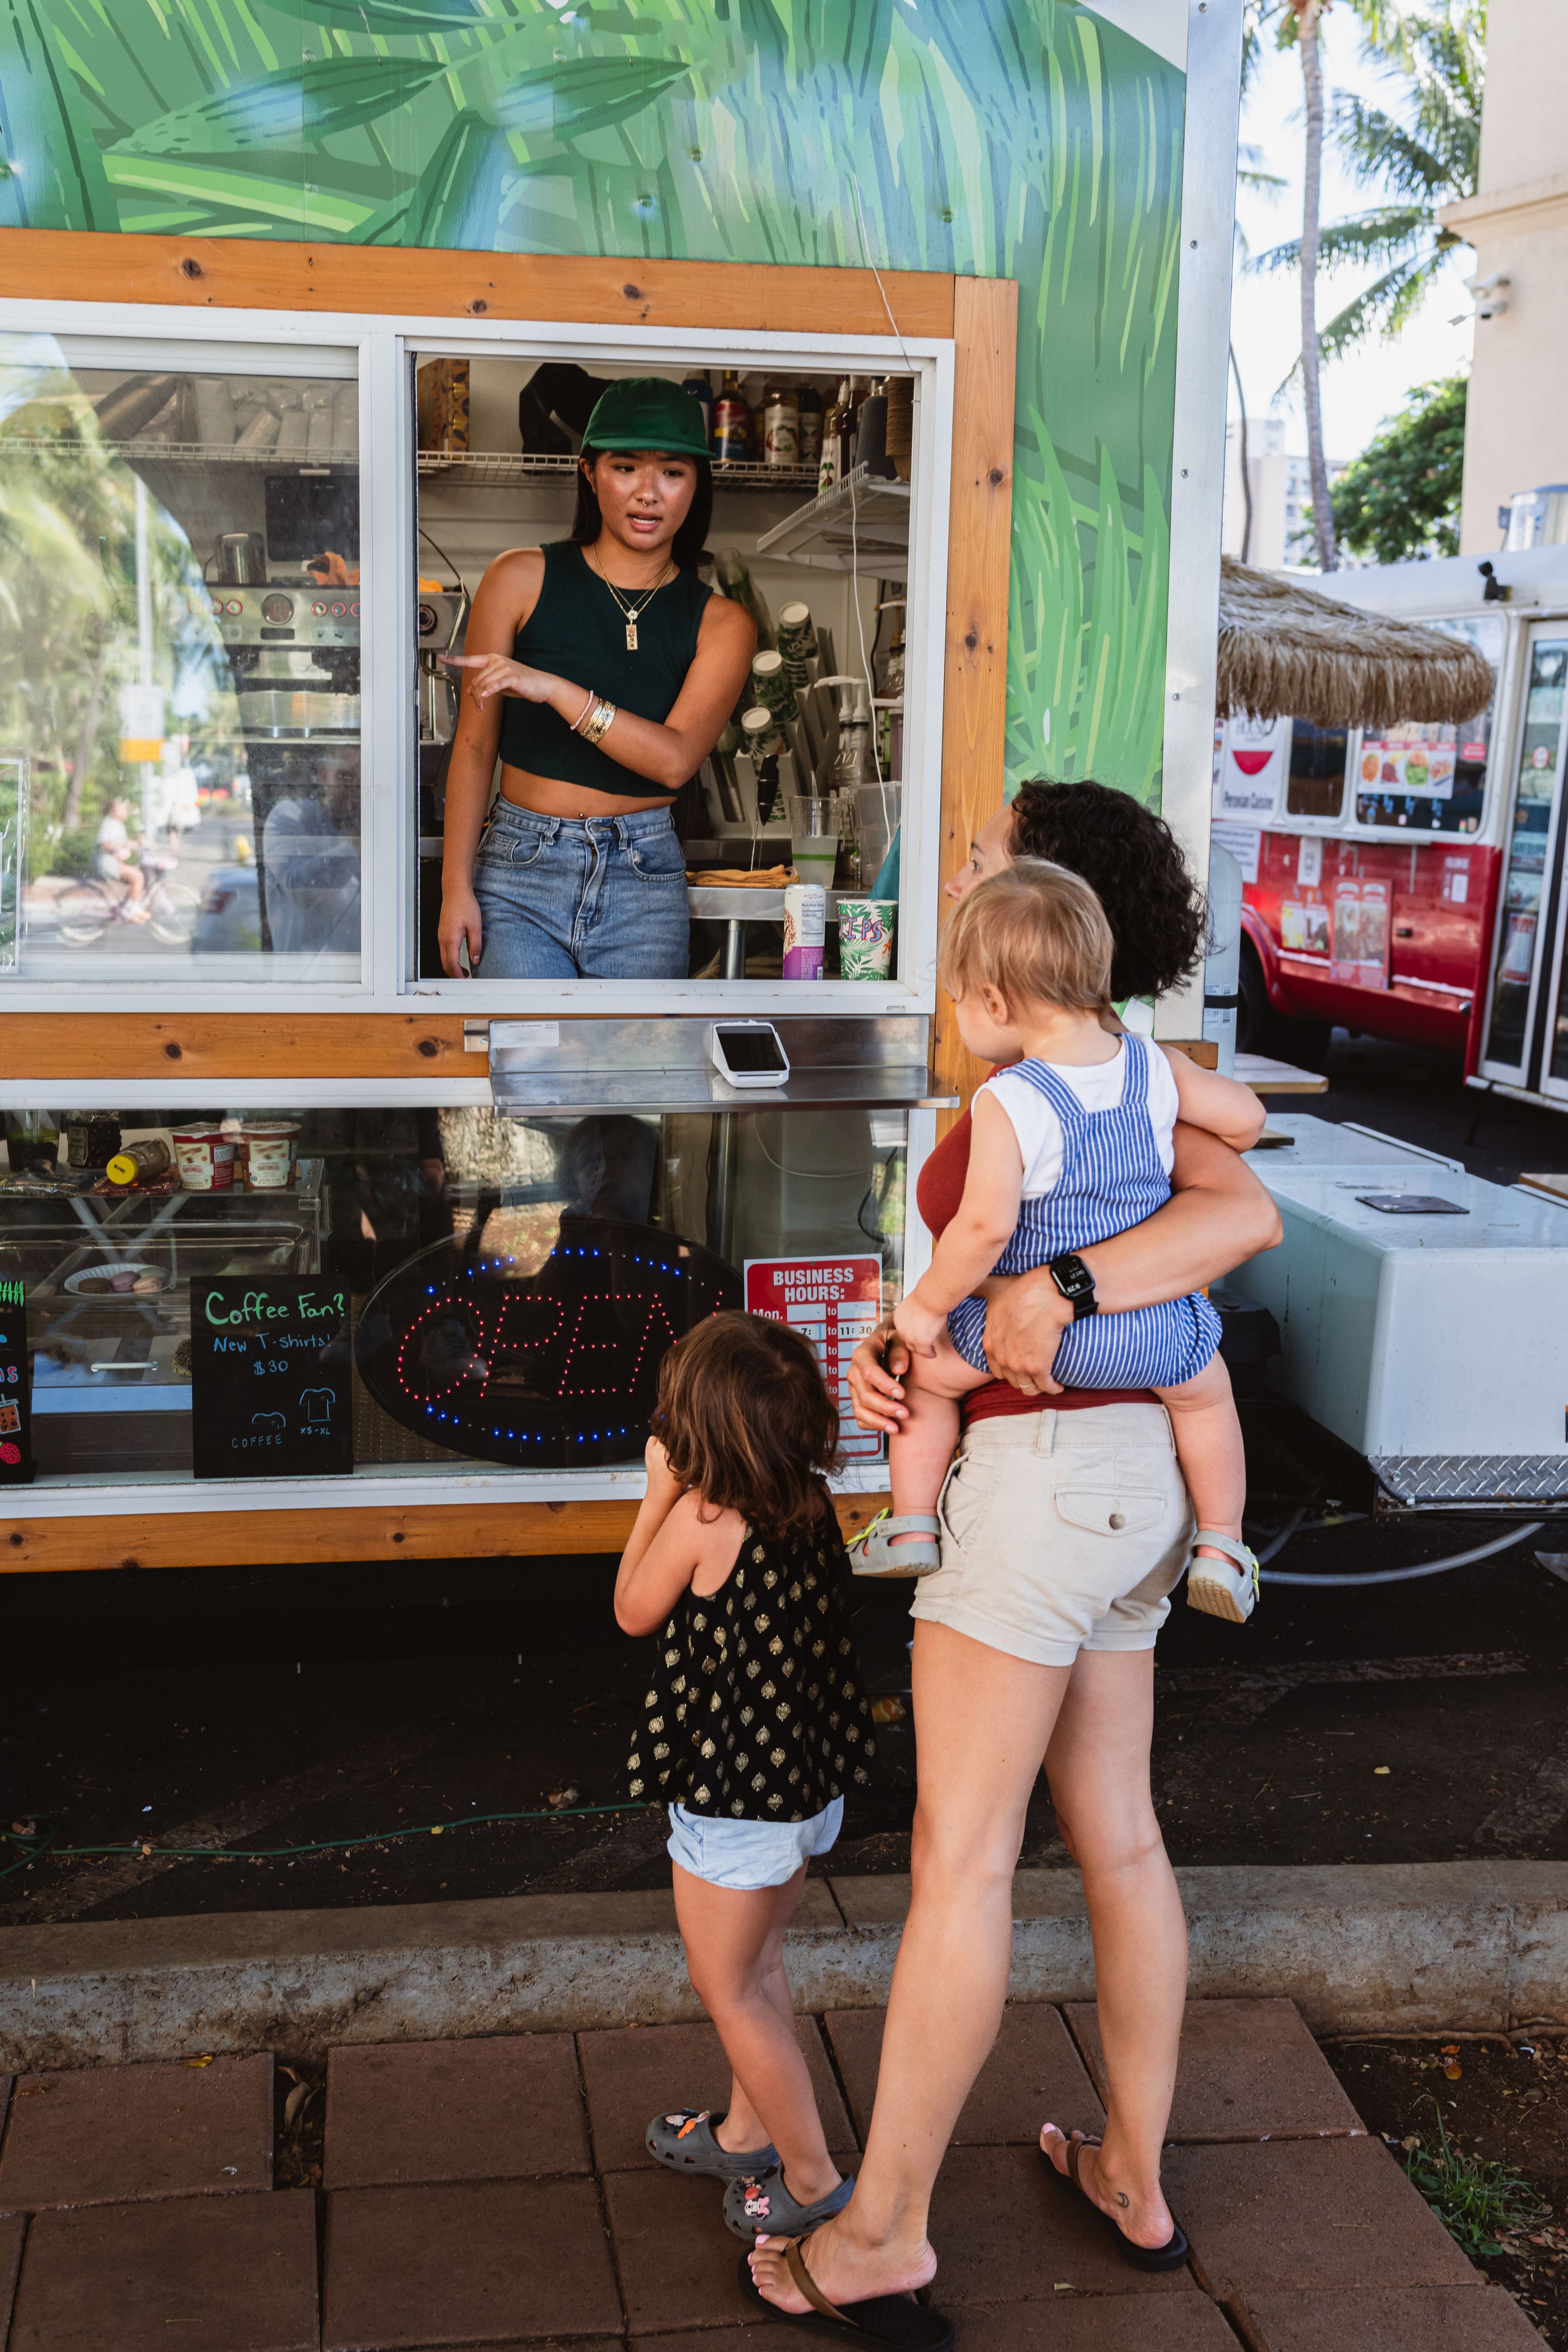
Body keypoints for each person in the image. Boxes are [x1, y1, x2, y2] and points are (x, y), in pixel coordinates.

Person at [746, 782, 1282, 2340]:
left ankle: (884, 2237)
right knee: (1118, 1839)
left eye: (983, 856)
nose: (961, 864)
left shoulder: (1076, 1088)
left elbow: (1239, 1211)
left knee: (964, 1860)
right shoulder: (1135, 1082)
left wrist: (1028, 1291)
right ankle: (1135, 2171)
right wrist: (906, 1358)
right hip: (1143, 1494)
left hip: (1044, 1486)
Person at [856, 860, 1265, 1625]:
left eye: (957, 1004)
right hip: (1149, 1337)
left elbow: (985, 1228)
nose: (960, 1021)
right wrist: (1177, 1096)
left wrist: (921, 1311)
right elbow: (1245, 1122)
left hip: (1017, 1340)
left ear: (993, 1001)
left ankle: (909, 1524)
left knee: (927, 1382)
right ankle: (1223, 1545)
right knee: (1209, 1393)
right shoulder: (1152, 1068)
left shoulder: (1011, 1097)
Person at [616, 1313, 877, 2249]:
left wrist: (655, 1495)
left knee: (729, 1987)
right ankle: (744, 2133)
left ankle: (810, 2180)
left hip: (735, 1802)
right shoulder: (807, 1502)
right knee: (761, 1967)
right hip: (804, 1790)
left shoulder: (702, 1516)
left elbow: (633, 1610)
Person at [438, 376, 756, 980]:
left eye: (672, 473)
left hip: (644, 881)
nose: (648, 494)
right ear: (589, 471)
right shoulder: (519, 578)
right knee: (527, 1072)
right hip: (518, 876)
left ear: (696, 484)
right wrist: (457, 889)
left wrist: (555, 690)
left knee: (633, 1073)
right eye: (626, 467)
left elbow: (674, 761)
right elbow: (475, 749)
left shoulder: (721, 622)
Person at [94, 797, 149, 921]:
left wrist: (133, 844)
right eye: (124, 810)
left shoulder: (117, 825)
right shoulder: (110, 824)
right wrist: (126, 844)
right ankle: (132, 911)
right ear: (115, 811)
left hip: (113, 862)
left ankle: (128, 909)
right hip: (108, 864)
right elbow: (106, 844)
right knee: (138, 877)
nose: (126, 812)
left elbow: (121, 844)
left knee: (135, 875)